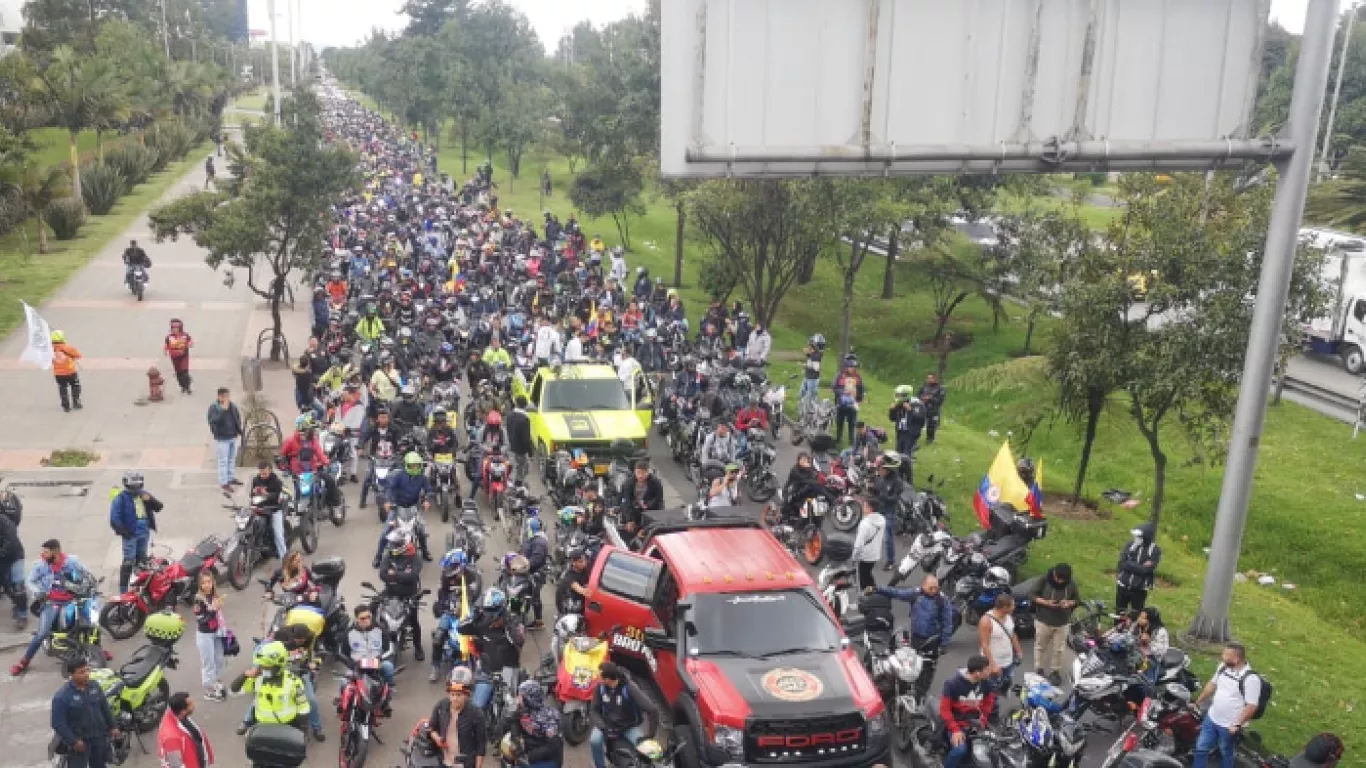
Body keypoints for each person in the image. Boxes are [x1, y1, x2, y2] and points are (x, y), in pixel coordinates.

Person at [11, 539, 93, 676]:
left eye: (46, 551)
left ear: (55, 552)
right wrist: (38, 592)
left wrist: (91, 584)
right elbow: (30, 580)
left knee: (90, 624)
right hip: (52, 602)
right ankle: (24, 662)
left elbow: (86, 573)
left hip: (72, 600)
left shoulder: (72, 561)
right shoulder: (41, 565)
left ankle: (97, 651)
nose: (42, 554)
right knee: (42, 633)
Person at [871, 575, 953, 698]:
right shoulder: (916, 594)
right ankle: (910, 687)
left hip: (932, 640)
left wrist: (944, 644)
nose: (934, 591)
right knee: (913, 663)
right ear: (923, 586)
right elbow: (897, 593)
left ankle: (921, 695)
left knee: (928, 668)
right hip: (916, 638)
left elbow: (947, 623)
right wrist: (878, 589)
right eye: (931, 588)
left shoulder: (942, 600)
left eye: (936, 588)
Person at [1192, 642, 1263, 768]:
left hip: (1229, 725)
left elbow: (1252, 706)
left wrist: (1237, 724)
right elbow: (1212, 684)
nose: (1222, 657)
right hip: (1212, 717)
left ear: (1236, 659)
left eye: (1225, 655)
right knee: (1201, 747)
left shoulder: (1251, 679)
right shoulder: (1223, 667)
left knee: (1225, 752)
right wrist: (1198, 702)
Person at [461, 589, 526, 710]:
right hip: (486, 672)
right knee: (477, 708)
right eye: (486, 611)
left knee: (512, 708)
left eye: (490, 612)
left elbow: (520, 640)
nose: (488, 616)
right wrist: (473, 616)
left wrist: (510, 628)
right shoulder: (481, 622)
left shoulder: (513, 622)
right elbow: (461, 629)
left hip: (508, 669)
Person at [51, 658, 120, 768]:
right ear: (71, 674)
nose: (86, 674)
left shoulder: (95, 686)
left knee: (99, 764)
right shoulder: (62, 697)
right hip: (80, 742)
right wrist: (74, 741)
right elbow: (58, 723)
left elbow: (104, 707)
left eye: (87, 670)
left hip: (98, 737)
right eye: (81, 672)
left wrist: (113, 726)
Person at [232, 640, 311, 735]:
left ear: (279, 665)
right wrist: (245, 674)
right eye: (262, 667)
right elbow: (234, 689)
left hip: (286, 728)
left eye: (268, 667)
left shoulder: (293, 681)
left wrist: (303, 731)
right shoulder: (257, 679)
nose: (264, 669)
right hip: (261, 728)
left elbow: (303, 708)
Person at [588, 662, 659, 768]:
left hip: (628, 727)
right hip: (606, 725)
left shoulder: (629, 688)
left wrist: (650, 735)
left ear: (608, 679)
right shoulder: (600, 687)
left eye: (600, 676)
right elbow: (593, 710)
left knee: (649, 752)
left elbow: (652, 710)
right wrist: (602, 726)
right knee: (595, 741)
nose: (597, 678)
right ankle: (600, 765)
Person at [109, 470, 162, 593]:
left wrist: (150, 500)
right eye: (133, 486)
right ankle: (123, 590)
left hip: (144, 532)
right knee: (128, 562)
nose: (136, 489)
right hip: (131, 534)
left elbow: (159, 507)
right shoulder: (120, 499)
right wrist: (126, 533)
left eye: (138, 486)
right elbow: (114, 519)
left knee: (142, 560)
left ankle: (141, 585)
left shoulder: (144, 495)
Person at [939, 656, 995, 768]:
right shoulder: (952, 684)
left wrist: (983, 720)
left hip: (975, 723)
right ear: (977, 673)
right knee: (960, 750)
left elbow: (989, 702)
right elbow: (944, 709)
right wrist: (955, 730)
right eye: (987, 669)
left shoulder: (986, 683)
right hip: (957, 724)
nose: (990, 671)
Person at [378, 451, 434, 563]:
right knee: (386, 532)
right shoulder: (399, 476)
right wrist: (388, 501)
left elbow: (429, 490)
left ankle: (425, 551)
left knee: (421, 530)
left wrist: (427, 500)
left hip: (413, 507)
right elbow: (390, 489)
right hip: (397, 507)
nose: (414, 468)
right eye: (412, 465)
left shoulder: (422, 477)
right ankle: (378, 556)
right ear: (406, 465)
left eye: (417, 465)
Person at [1029, 563, 1079, 684]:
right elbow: (1032, 595)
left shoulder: (1071, 584)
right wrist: (1045, 602)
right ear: (1054, 574)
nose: (1060, 582)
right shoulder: (1044, 580)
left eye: (1063, 580)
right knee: (1041, 646)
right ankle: (1039, 668)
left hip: (1062, 622)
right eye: (1058, 578)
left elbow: (1077, 599)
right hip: (1043, 620)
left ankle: (1055, 671)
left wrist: (1069, 603)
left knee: (1059, 649)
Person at [378, 536, 426, 663]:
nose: (392, 547)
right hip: (390, 592)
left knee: (414, 621)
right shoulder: (388, 556)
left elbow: (413, 576)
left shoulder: (414, 556)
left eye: (395, 545)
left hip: (409, 594)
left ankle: (418, 647)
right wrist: (401, 576)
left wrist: (394, 574)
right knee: (376, 613)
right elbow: (382, 574)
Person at [426, 674, 488, 768]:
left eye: (459, 695)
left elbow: (481, 745)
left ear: (466, 696)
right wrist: (437, 738)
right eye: (452, 695)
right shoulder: (441, 706)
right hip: (444, 761)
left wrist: (478, 766)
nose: (455, 698)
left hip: (465, 763)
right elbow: (431, 728)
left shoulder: (476, 713)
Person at [509, 678, 563, 768]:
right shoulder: (524, 710)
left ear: (529, 698)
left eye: (521, 696)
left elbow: (554, 746)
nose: (518, 699)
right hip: (528, 750)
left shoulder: (549, 717)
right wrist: (516, 740)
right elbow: (514, 723)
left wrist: (530, 756)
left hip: (548, 759)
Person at [978, 593, 1023, 702]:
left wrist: (1019, 651)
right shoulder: (986, 621)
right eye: (1012, 605)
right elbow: (984, 644)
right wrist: (993, 665)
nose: (1014, 607)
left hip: (1008, 662)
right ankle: (989, 713)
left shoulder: (1008, 617)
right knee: (990, 693)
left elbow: (1012, 634)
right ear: (1004, 608)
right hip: (993, 664)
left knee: (1003, 687)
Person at [192, 570, 227, 701]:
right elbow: (201, 620)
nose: (207, 585)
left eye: (209, 582)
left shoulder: (213, 596)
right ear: (199, 585)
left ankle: (216, 681)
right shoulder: (198, 600)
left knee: (218, 659)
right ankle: (208, 689)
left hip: (216, 633)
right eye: (204, 583)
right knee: (208, 663)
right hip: (204, 635)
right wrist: (213, 610)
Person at [345, 604, 396, 694]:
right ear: (356, 619)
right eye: (362, 618)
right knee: (343, 683)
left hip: (376, 663)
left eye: (368, 617)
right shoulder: (349, 632)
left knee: (388, 667)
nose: (366, 620)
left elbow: (388, 648)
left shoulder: (380, 629)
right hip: (357, 665)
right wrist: (351, 663)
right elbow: (344, 652)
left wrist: (380, 658)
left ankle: (389, 690)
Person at [361, 409, 404, 509]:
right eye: (381, 417)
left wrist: (402, 447)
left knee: (402, 474)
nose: (383, 419)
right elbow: (364, 437)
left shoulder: (395, 428)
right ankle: (362, 500)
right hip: (376, 457)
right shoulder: (373, 429)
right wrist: (360, 447)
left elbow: (401, 439)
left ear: (389, 419)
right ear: (377, 419)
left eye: (385, 417)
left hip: (393, 457)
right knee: (368, 478)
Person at [1116, 523, 1162, 617]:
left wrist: (1130, 563)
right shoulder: (1130, 545)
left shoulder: (1154, 550)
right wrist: (1138, 566)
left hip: (1139, 589)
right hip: (1123, 585)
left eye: (1139, 536)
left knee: (1136, 615)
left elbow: (1146, 570)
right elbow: (1122, 562)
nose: (1136, 538)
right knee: (1119, 613)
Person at [159, 692, 214, 768]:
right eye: (190, 704)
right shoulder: (171, 738)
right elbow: (175, 765)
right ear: (183, 711)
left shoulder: (179, 715)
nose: (194, 705)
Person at [206, 388, 243, 496]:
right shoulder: (214, 408)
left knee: (231, 458)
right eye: (225, 396)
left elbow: (237, 417)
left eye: (228, 396)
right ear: (219, 396)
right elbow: (213, 421)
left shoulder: (232, 405)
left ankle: (230, 477)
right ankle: (223, 482)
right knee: (223, 460)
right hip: (222, 439)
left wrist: (238, 430)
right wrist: (222, 410)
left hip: (232, 436)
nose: (227, 398)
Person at [871, 454, 905, 569]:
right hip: (878, 510)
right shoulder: (881, 478)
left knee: (887, 538)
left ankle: (890, 561)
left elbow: (894, 499)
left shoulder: (897, 482)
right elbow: (876, 491)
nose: (880, 470)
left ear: (889, 470)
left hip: (889, 513)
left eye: (882, 468)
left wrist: (882, 496)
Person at [249, 461, 288, 560]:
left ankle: (285, 558)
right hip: (260, 509)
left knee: (278, 535)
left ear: (270, 470)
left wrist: (267, 494)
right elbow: (251, 495)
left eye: (265, 473)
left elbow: (277, 496)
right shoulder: (256, 480)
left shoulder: (276, 481)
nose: (263, 476)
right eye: (261, 473)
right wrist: (254, 492)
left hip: (274, 509)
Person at [520, 518, 550, 630]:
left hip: (536, 574)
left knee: (534, 597)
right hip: (527, 572)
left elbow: (536, 559)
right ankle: (519, 616)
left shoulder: (540, 542)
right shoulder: (533, 539)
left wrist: (524, 565)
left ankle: (538, 622)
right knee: (522, 593)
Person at [851, 499, 886, 591]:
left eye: (864, 505)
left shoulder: (865, 524)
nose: (863, 507)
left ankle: (869, 597)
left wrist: (854, 557)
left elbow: (858, 545)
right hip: (875, 554)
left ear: (870, 508)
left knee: (863, 578)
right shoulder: (882, 519)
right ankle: (874, 592)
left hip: (865, 555)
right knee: (867, 574)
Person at [0, 509, 27, 631]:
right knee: (6, 586)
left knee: (17, 586)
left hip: (14, 556)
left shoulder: (4, 522)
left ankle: (22, 615)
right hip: (2, 558)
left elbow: (11, 542)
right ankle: (15, 601)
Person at [1128, 606, 1170, 683]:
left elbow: (1161, 651)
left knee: (1145, 683)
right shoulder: (1137, 626)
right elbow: (1129, 636)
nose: (1139, 619)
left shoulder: (1161, 632)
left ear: (1150, 620)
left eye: (1143, 618)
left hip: (1151, 660)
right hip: (1136, 654)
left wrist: (1149, 642)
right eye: (1140, 616)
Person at [618, 462, 663, 532]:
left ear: (648, 472)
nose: (640, 476)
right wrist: (630, 519)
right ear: (634, 472)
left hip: (650, 509)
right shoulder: (628, 484)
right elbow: (627, 501)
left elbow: (659, 499)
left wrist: (648, 505)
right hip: (634, 508)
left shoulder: (656, 483)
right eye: (638, 473)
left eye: (643, 473)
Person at [831, 356, 865, 446]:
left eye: (854, 367)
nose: (853, 369)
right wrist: (842, 392)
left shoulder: (858, 377)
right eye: (851, 367)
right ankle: (838, 439)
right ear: (846, 367)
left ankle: (852, 441)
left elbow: (861, 389)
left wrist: (859, 400)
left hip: (852, 405)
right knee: (839, 422)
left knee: (852, 423)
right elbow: (834, 387)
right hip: (841, 403)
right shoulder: (840, 375)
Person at [50, 330, 83, 412]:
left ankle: (65, 406)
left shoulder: (50, 349)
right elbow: (78, 355)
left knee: (62, 387)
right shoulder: (67, 347)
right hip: (70, 371)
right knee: (75, 385)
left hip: (58, 373)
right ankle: (76, 401)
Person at [889, 385, 926, 457]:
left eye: (901, 395)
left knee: (906, 452)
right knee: (899, 451)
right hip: (901, 431)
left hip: (911, 431)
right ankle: (900, 466)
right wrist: (892, 410)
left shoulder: (917, 404)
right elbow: (892, 418)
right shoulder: (899, 404)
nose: (899, 397)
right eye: (897, 395)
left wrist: (910, 410)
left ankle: (907, 465)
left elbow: (920, 418)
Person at [555, 548, 593, 613]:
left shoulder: (586, 568)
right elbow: (582, 590)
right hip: (573, 605)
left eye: (585, 560)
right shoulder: (570, 576)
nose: (584, 563)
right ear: (573, 562)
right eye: (580, 561)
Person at [164, 319, 194, 395]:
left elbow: (190, 341)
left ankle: (188, 387)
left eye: (176, 328)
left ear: (180, 328)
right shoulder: (169, 337)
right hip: (174, 357)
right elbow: (166, 345)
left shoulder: (185, 336)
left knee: (185, 372)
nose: (175, 330)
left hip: (183, 356)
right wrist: (166, 351)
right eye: (173, 328)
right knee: (179, 373)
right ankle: (182, 386)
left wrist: (190, 344)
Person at [507, 396, 533, 484]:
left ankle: (512, 485)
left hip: (510, 448)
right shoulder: (525, 419)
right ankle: (517, 487)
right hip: (520, 451)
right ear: (525, 406)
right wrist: (530, 453)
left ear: (516, 404)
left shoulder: (509, 415)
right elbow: (526, 439)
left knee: (513, 470)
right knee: (522, 471)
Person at [918, 374, 947, 444]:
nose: (928, 380)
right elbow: (918, 394)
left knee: (931, 426)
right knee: (918, 423)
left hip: (933, 410)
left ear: (935, 379)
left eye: (930, 378)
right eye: (928, 378)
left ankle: (930, 439)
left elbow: (940, 401)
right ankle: (915, 438)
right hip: (923, 407)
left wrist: (930, 398)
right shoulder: (924, 386)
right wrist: (922, 398)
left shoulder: (940, 389)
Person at [800, 335, 825, 404]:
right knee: (802, 393)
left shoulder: (817, 355)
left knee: (811, 397)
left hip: (812, 379)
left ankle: (812, 412)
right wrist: (807, 355)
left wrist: (805, 366)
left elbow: (816, 368)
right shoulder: (814, 354)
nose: (809, 346)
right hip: (808, 377)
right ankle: (803, 410)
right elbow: (811, 360)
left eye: (810, 345)